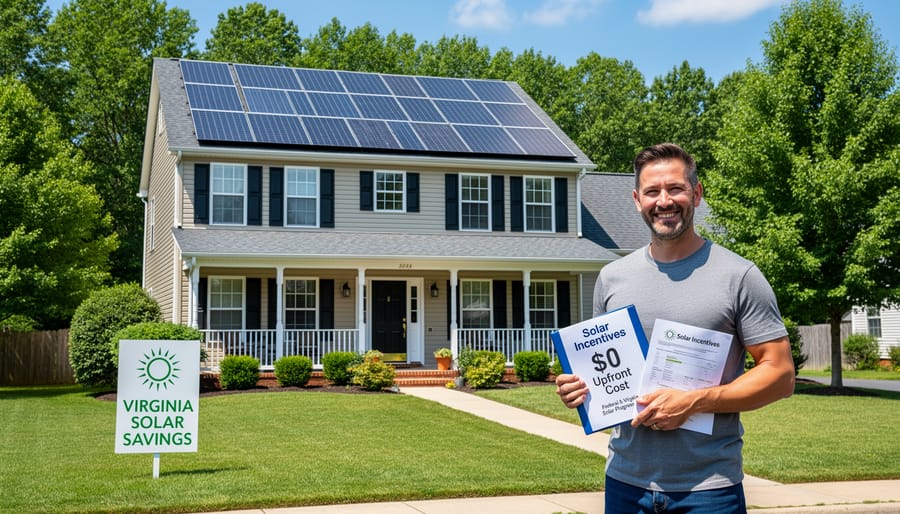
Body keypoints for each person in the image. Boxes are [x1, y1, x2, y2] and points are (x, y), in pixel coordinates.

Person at [556, 143, 795, 513]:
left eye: (676, 189)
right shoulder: (612, 278)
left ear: (696, 194)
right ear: (637, 200)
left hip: (709, 490)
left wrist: (695, 401)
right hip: (625, 485)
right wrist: (579, 389)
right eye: (652, 191)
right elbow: (605, 375)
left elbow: (780, 374)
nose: (664, 200)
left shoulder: (740, 276)